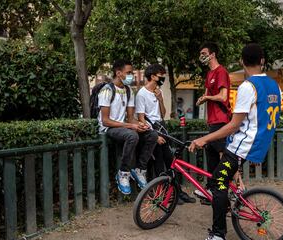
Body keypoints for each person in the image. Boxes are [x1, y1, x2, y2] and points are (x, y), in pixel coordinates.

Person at [188, 43, 282, 240]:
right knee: (221, 180)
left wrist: (204, 139)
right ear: (262, 61)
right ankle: (227, 203)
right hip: (258, 143)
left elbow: (233, 125)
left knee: (218, 182)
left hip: (243, 145)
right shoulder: (274, 86)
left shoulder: (248, 87)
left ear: (241, 62)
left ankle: (218, 236)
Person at [136, 64, 196, 204]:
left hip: (162, 127)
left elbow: (163, 114)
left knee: (171, 161)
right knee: (159, 163)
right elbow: (141, 118)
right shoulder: (141, 94)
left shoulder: (158, 92)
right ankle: (164, 195)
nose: (162, 78)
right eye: (160, 75)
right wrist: (155, 136)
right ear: (152, 76)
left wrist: (160, 99)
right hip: (153, 131)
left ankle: (177, 192)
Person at [98, 59, 158, 195]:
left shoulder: (129, 91)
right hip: (109, 128)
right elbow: (105, 121)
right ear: (118, 73)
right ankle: (123, 173)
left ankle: (139, 170)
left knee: (152, 134)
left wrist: (141, 125)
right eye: (129, 72)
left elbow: (131, 118)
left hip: (123, 127)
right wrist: (131, 126)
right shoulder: (107, 90)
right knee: (132, 135)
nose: (132, 75)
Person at [195, 42, 231, 199]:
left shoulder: (221, 72)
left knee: (223, 153)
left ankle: (232, 186)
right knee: (212, 151)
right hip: (213, 119)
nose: (201, 56)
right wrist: (202, 100)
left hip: (221, 119)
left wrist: (207, 97)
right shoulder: (209, 74)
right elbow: (207, 94)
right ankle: (215, 187)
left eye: (204, 53)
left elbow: (223, 97)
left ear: (213, 54)